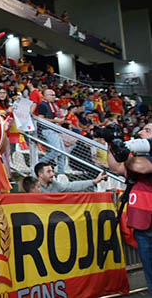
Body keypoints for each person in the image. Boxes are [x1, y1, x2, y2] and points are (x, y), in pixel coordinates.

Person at [108, 123, 152, 293]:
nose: (140, 132)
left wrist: (123, 153)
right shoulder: (135, 157)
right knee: (149, 271)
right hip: (142, 223)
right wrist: (111, 144)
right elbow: (116, 167)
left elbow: (140, 166)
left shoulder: (139, 160)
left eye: (147, 130)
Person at [36, 89, 68, 174]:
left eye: (54, 95)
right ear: (45, 96)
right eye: (51, 95)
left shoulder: (53, 104)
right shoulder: (42, 105)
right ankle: (37, 163)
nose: (54, 96)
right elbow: (41, 119)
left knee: (62, 153)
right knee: (56, 151)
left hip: (54, 129)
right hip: (47, 130)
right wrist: (56, 121)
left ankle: (61, 174)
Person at [34, 162, 106, 192]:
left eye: (52, 171)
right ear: (40, 174)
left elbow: (72, 186)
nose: (52, 174)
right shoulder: (33, 187)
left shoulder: (55, 184)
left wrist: (94, 181)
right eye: (48, 172)